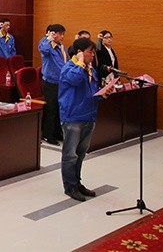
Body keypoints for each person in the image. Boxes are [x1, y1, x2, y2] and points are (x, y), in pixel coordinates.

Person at [59, 37, 117, 201]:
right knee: (70, 155)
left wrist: (103, 93)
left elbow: (91, 92)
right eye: (90, 52)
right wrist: (80, 62)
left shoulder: (90, 69)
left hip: (88, 115)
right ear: (79, 53)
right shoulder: (69, 68)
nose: (93, 55)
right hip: (73, 117)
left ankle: (77, 183)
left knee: (81, 153)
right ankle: (70, 187)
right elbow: (75, 80)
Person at [38, 24, 67, 145]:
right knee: (51, 110)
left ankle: (57, 132)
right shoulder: (46, 44)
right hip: (50, 83)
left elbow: (65, 62)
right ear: (54, 34)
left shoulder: (62, 46)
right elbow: (43, 50)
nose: (62, 37)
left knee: (59, 109)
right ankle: (47, 135)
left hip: (62, 82)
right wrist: (49, 38)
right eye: (60, 34)